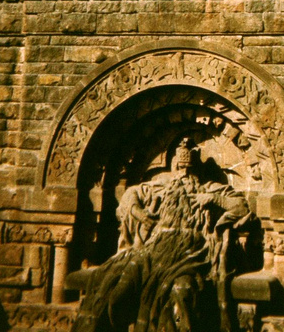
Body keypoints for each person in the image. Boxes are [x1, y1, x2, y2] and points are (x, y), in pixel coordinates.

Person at [68, 139, 254, 332]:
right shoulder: (162, 187)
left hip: (191, 254)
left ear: (198, 169)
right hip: (154, 250)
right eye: (181, 169)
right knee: (115, 287)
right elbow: (130, 193)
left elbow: (241, 207)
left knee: (181, 293)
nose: (185, 174)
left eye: (189, 169)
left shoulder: (210, 189)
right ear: (174, 167)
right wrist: (138, 212)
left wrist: (214, 199)